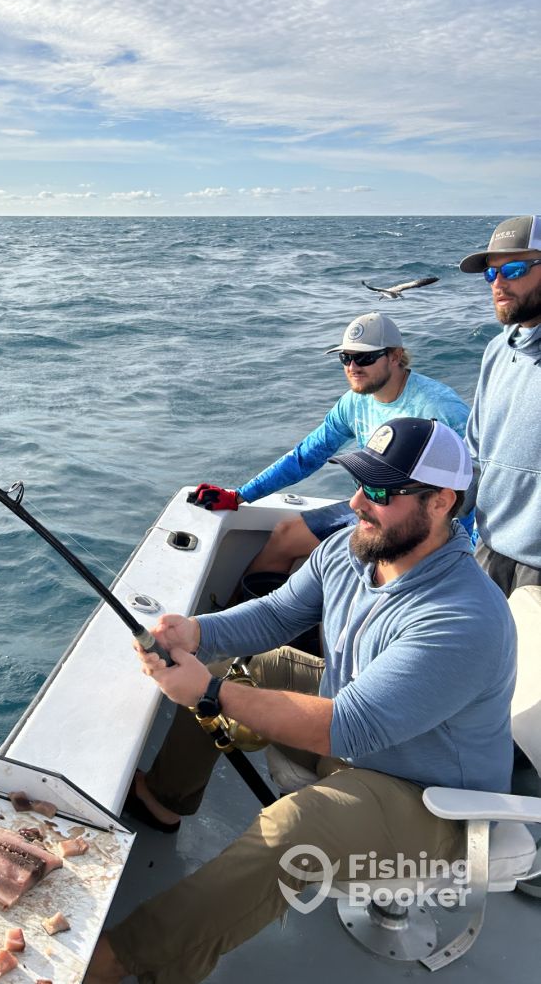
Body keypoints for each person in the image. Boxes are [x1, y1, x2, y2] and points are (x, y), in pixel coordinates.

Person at [87, 418, 515, 984]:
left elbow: (347, 727)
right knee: (220, 666)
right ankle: (166, 798)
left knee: (293, 833)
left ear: (440, 501)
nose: (357, 502)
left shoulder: (462, 617)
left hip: (435, 803)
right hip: (355, 732)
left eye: (380, 491)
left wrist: (209, 694)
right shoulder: (351, 549)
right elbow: (277, 614)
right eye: (358, 482)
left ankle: (124, 960)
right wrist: (197, 633)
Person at [188, 312, 470, 577]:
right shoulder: (354, 402)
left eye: (364, 358)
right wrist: (240, 496)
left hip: (418, 523)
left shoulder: (439, 408)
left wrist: (467, 549)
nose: (352, 368)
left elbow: (473, 482)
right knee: (285, 537)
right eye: (346, 358)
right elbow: (308, 455)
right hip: (369, 505)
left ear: (396, 356)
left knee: (357, 571)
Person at [459, 215, 541, 596]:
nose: (498, 283)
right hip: (488, 551)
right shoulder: (495, 351)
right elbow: (475, 456)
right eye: (491, 273)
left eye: (513, 269)